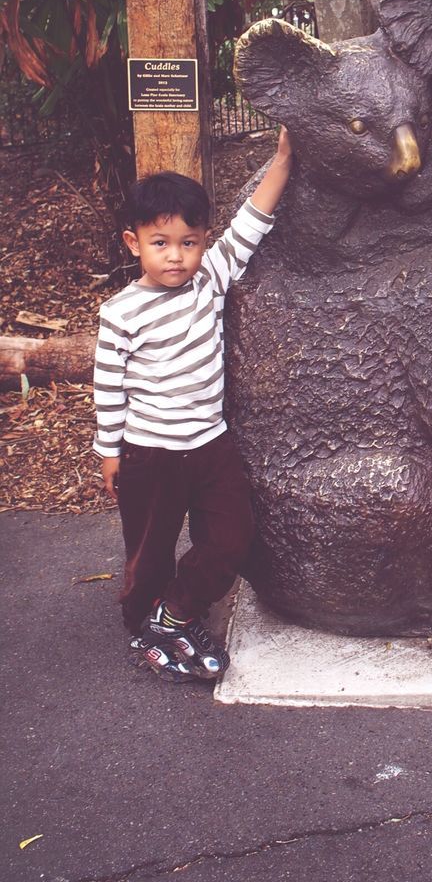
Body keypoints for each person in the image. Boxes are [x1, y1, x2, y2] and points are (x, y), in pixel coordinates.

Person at [93, 128, 292, 682]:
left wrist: (281, 159)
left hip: (211, 446)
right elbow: (109, 389)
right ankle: (145, 624)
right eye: (161, 243)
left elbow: (252, 220)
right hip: (149, 454)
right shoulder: (121, 314)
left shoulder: (211, 279)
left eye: (189, 241)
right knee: (148, 553)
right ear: (134, 244)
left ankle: (174, 613)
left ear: (204, 240)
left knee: (231, 538)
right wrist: (109, 452)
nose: (177, 256)